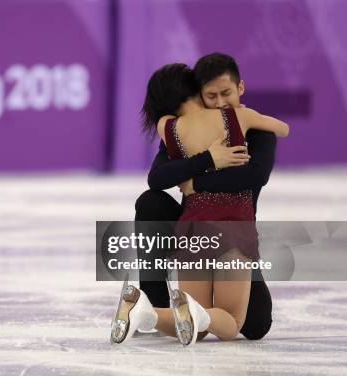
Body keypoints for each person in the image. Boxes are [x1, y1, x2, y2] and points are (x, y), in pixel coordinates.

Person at [110, 62, 289, 346]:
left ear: (240, 88)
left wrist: (196, 183)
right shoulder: (242, 118)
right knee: (231, 322)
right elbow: (157, 179)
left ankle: (148, 313)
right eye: (211, 96)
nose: (219, 102)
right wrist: (209, 158)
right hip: (233, 233)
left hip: (192, 232)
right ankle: (154, 298)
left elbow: (257, 175)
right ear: (198, 94)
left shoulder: (171, 128)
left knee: (250, 325)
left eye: (225, 94)